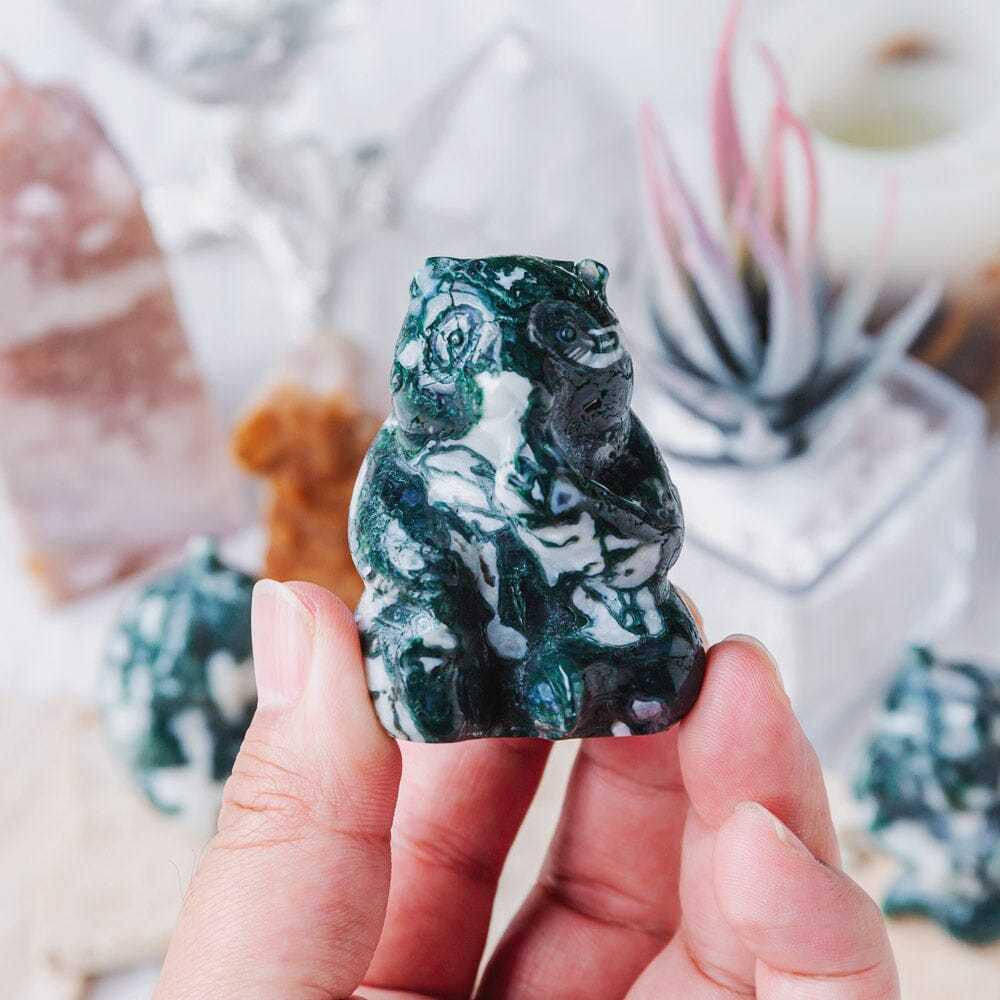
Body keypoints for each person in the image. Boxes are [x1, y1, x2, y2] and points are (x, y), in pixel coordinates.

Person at [155, 580, 900, 999]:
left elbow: (649, 532)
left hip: (583, 634)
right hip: (459, 653)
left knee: (664, 661)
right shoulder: (412, 459)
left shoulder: (600, 436)